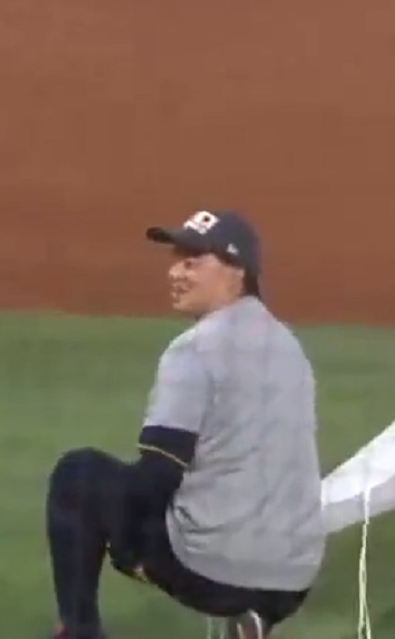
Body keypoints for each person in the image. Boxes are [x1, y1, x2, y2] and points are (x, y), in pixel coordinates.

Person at [43, 210, 324, 639]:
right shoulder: (292, 350)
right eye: (175, 260)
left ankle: (77, 632)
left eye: (192, 261)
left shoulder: (195, 349)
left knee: (79, 475)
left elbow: (159, 474)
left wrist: (126, 548)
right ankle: (257, 619)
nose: (176, 272)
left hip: (215, 573)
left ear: (236, 271)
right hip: (295, 578)